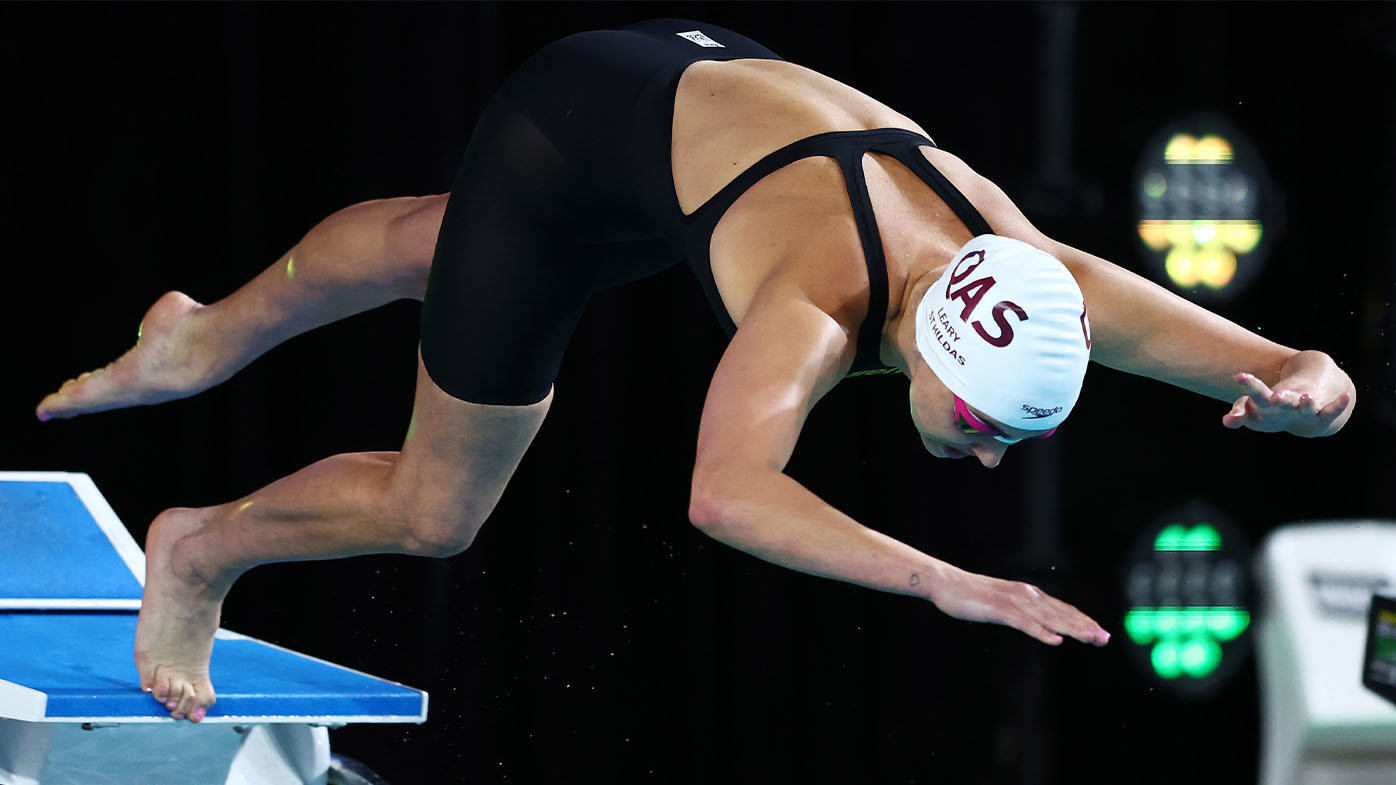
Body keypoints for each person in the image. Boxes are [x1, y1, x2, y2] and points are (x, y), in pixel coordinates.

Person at [35, 19, 1354, 724]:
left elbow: (1231, 349)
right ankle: (203, 545)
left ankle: (198, 334)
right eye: (979, 425)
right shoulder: (815, 312)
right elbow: (724, 493)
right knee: (440, 508)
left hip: (679, 80)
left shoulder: (1010, 257)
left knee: (432, 242)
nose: (993, 455)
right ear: (927, 352)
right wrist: (945, 578)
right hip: (573, 138)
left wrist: (1311, 379)